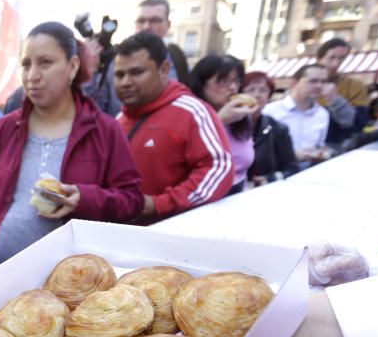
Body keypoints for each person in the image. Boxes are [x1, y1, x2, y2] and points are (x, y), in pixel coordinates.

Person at [0, 21, 143, 261]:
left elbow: (132, 200)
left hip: (72, 282)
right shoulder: (3, 129)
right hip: (2, 272)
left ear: (72, 67)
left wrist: (85, 198)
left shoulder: (104, 130)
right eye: (26, 64)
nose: (32, 75)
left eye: (45, 63)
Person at [114, 32, 232, 223]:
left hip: (173, 236)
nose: (126, 82)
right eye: (120, 74)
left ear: (164, 69)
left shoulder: (192, 112)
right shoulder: (119, 120)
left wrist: (159, 204)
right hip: (123, 232)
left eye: (137, 72)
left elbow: (219, 169)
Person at [187, 55, 255, 194]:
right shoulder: (188, 114)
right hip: (202, 198)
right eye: (223, 81)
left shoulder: (242, 116)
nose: (233, 88)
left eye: (237, 81)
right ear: (202, 84)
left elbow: (244, 166)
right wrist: (219, 121)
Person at [261, 64, 331, 167]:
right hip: (276, 172)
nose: (319, 86)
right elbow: (259, 149)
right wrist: (291, 155)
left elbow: (319, 146)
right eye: (313, 81)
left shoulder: (323, 114)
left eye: (323, 82)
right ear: (294, 83)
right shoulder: (270, 111)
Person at [241, 71, 298, 186]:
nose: (257, 95)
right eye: (250, 90)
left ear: (269, 96)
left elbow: (292, 168)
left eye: (263, 90)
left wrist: (270, 178)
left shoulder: (278, 128)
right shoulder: (228, 125)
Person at [316, 38, 369, 149]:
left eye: (341, 59)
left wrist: (335, 99)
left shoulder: (355, 86)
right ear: (319, 58)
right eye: (331, 58)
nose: (336, 64)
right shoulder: (303, 83)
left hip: (337, 148)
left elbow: (358, 124)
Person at [135, 0, 189, 84]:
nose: (146, 26)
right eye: (141, 21)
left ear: (168, 25)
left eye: (155, 20)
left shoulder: (178, 60)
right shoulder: (114, 61)